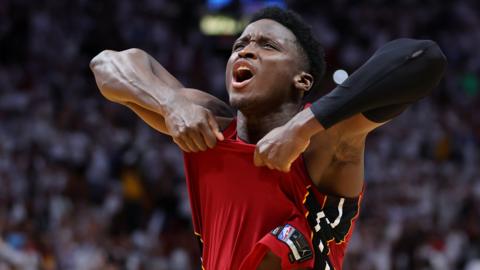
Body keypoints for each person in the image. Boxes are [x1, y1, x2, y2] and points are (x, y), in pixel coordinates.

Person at [90, 7, 446, 270]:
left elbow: (424, 57)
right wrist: (170, 103)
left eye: (267, 46)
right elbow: (108, 64)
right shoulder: (210, 127)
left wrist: (301, 128)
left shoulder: (325, 141)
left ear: (301, 80)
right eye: (240, 44)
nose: (245, 51)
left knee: (280, 247)